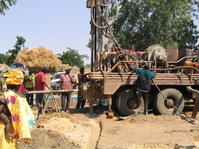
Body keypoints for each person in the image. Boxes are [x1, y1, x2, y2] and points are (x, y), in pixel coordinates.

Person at [0, 69, 35, 149]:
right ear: (19, 85)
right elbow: (27, 113)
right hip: (13, 129)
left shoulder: (5, 95)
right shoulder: (21, 96)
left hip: (3, 128)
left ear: (7, 84)